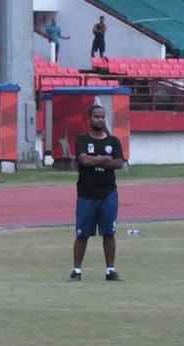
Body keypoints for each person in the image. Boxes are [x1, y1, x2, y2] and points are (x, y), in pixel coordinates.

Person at [70, 104, 124, 283]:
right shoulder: (82, 140)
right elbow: (83, 160)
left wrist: (96, 162)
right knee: (82, 234)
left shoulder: (113, 141)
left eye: (102, 117)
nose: (100, 120)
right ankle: (76, 271)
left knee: (109, 233)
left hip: (108, 193)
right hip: (86, 194)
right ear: (89, 119)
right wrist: (104, 159)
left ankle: (110, 271)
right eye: (96, 117)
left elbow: (118, 163)